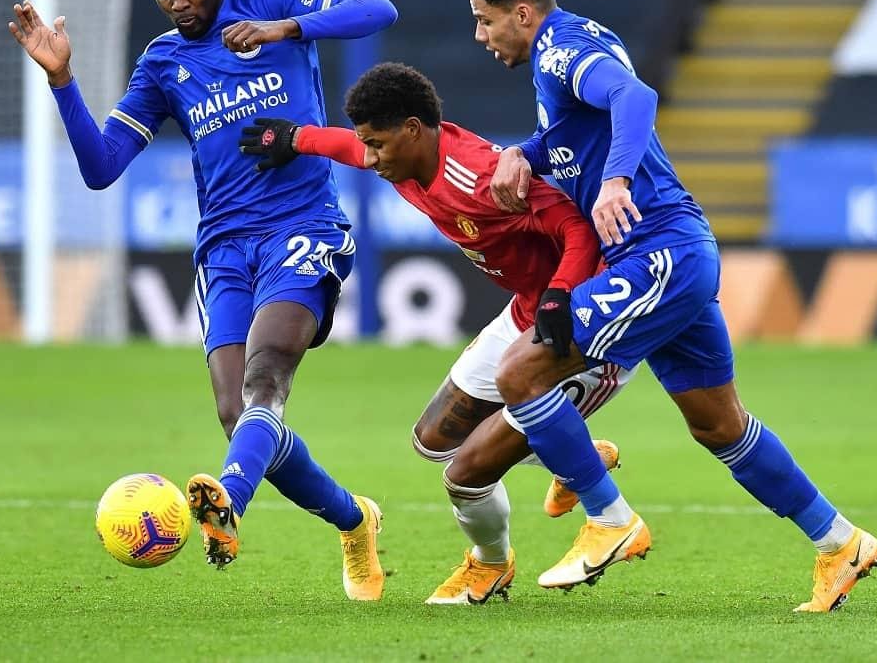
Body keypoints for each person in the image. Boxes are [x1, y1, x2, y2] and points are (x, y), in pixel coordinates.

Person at [456, 0, 877, 612]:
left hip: (656, 252)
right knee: (719, 425)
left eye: (485, 19)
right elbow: (582, 129)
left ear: (522, 13)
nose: (480, 35)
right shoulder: (571, 43)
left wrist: (616, 181)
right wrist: (527, 153)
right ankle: (841, 542)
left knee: (519, 373)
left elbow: (634, 97)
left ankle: (610, 518)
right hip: (675, 254)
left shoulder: (560, 49)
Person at [7, 0, 398, 601]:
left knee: (267, 376)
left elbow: (377, 10)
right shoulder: (163, 63)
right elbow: (101, 167)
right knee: (237, 412)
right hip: (223, 249)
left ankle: (229, 505)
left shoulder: (267, 0)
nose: (178, 1)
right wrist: (63, 80)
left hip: (303, 226)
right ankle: (353, 519)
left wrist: (285, 29)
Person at [239, 61, 635, 605]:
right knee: (433, 440)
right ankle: (577, 455)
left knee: (465, 475)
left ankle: (490, 565)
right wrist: (295, 138)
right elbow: (350, 148)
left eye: (378, 144)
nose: (370, 158)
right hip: (525, 310)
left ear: (412, 129)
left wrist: (560, 293)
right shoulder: (403, 161)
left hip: (579, 323)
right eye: (367, 144)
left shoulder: (480, 176)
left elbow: (575, 225)